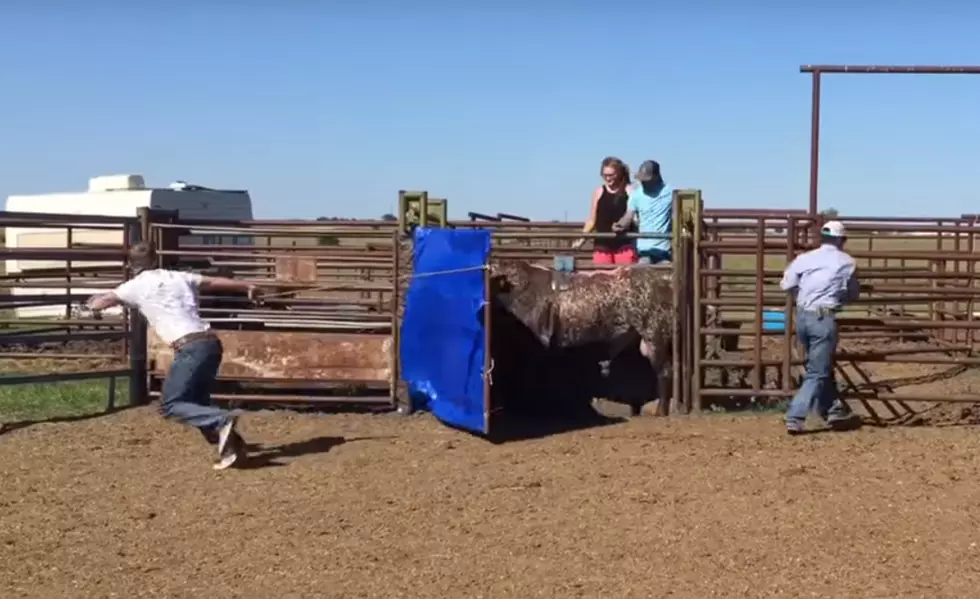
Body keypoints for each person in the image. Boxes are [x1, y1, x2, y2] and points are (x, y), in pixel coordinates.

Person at [86, 242, 262, 469]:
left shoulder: (132, 286)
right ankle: (233, 447)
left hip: (189, 347)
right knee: (197, 404)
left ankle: (222, 420)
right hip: (210, 343)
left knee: (171, 404)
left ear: (131, 265)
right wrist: (247, 285)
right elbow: (213, 282)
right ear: (154, 259)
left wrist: (91, 306)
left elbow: (101, 302)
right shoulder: (178, 277)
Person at [779, 220, 861, 435]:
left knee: (820, 365)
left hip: (803, 316)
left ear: (822, 238)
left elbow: (786, 284)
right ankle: (795, 416)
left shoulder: (804, 258)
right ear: (842, 240)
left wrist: (804, 294)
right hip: (823, 318)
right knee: (818, 370)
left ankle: (832, 409)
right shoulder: (847, 262)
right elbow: (852, 293)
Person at [572, 156, 638, 265]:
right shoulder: (598, 192)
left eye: (611, 175)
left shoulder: (630, 191)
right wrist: (581, 240)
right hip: (602, 246)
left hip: (624, 245)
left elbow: (636, 217)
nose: (608, 178)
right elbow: (592, 220)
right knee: (603, 279)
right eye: (605, 175)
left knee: (624, 279)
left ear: (619, 173)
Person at [612, 160, 673, 264]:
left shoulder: (670, 192)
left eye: (647, 180)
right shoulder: (636, 194)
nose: (643, 182)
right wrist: (620, 225)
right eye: (642, 180)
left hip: (664, 251)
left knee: (666, 273)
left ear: (656, 177)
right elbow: (628, 215)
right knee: (642, 271)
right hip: (644, 251)